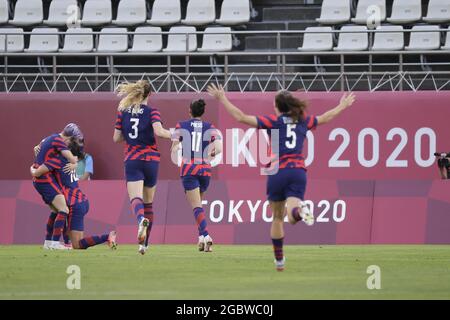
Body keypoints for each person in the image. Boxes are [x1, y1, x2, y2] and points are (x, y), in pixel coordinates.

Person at [207, 84, 356, 271]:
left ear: (277, 106)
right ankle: (299, 211)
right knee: (293, 216)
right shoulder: (303, 121)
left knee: (277, 218)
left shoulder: (273, 121)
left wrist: (222, 98)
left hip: (277, 171)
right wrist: (342, 105)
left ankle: (279, 261)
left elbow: (241, 117)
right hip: (297, 171)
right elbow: (326, 117)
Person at [113, 80, 173, 255]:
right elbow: (160, 132)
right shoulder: (152, 111)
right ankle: (144, 245)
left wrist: (132, 135)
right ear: (150, 94)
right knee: (149, 204)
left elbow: (116, 138)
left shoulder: (122, 112)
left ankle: (140, 221)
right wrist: (177, 135)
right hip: (151, 160)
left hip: (133, 159)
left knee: (135, 199)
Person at [31, 140, 117, 250]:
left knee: (77, 244)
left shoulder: (57, 160)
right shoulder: (68, 161)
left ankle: (107, 237)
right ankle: (57, 243)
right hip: (80, 200)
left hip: (75, 204)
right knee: (58, 212)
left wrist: (32, 168)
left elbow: (37, 171)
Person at [171, 99, 222, 252]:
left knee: (196, 207)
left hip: (189, 169)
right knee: (199, 206)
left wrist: (177, 148)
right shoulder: (210, 127)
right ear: (202, 112)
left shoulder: (181, 125)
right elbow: (219, 148)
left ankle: (206, 236)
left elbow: (174, 147)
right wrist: (210, 153)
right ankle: (201, 238)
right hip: (205, 169)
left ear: (189, 111)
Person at [32, 123, 81, 250]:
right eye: (72, 140)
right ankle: (54, 243)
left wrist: (33, 169)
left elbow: (37, 148)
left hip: (41, 178)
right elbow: (72, 158)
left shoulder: (50, 138)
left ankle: (48, 242)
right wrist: (74, 162)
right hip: (45, 178)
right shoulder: (59, 142)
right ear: (69, 138)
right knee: (64, 210)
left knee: (55, 210)